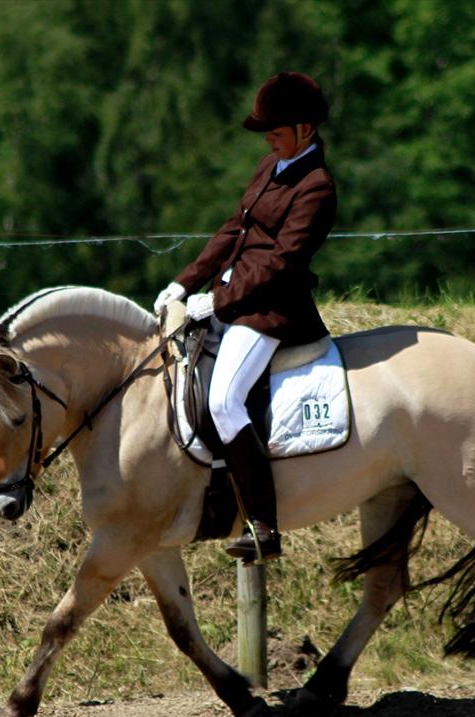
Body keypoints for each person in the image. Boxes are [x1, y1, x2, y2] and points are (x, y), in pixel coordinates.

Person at [153, 71, 337, 562]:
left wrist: (218, 300)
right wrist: (185, 281)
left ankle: (263, 526)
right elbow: (234, 230)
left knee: (225, 400)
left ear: (304, 129)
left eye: (276, 131)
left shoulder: (317, 188)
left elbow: (280, 262)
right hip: (238, 295)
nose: (269, 139)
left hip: (274, 308)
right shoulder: (269, 166)